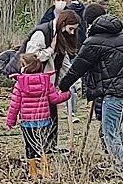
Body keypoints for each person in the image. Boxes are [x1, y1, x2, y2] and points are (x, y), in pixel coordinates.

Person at [59, 3, 123, 176]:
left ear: (89, 22)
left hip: (114, 93)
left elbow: (77, 68)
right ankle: (122, 161)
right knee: (116, 128)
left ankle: (122, 170)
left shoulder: (94, 43)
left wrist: (63, 86)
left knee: (109, 132)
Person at [6, 10, 80, 151]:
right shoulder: (42, 34)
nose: (72, 33)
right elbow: (31, 58)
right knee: (41, 119)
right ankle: (40, 150)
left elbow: (63, 64)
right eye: (71, 29)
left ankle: (49, 148)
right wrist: (50, 51)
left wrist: (75, 83)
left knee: (51, 116)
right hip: (36, 83)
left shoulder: (60, 36)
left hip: (47, 84)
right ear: (63, 24)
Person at [6, 54, 71, 179]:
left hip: (27, 122)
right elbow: (55, 99)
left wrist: (11, 121)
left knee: (30, 146)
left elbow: (15, 105)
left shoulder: (20, 84)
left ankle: (33, 173)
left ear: (24, 67)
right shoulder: (46, 82)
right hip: (44, 120)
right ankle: (46, 172)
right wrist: (67, 94)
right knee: (44, 146)